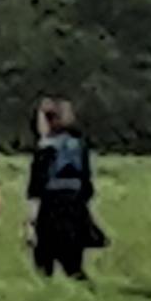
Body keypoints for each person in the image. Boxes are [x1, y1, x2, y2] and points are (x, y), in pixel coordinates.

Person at [25, 97, 103, 281]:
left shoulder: (45, 148)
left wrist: (31, 221)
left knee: (43, 260)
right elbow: (87, 182)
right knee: (73, 263)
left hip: (51, 206)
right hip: (76, 205)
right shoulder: (79, 145)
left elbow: (36, 186)